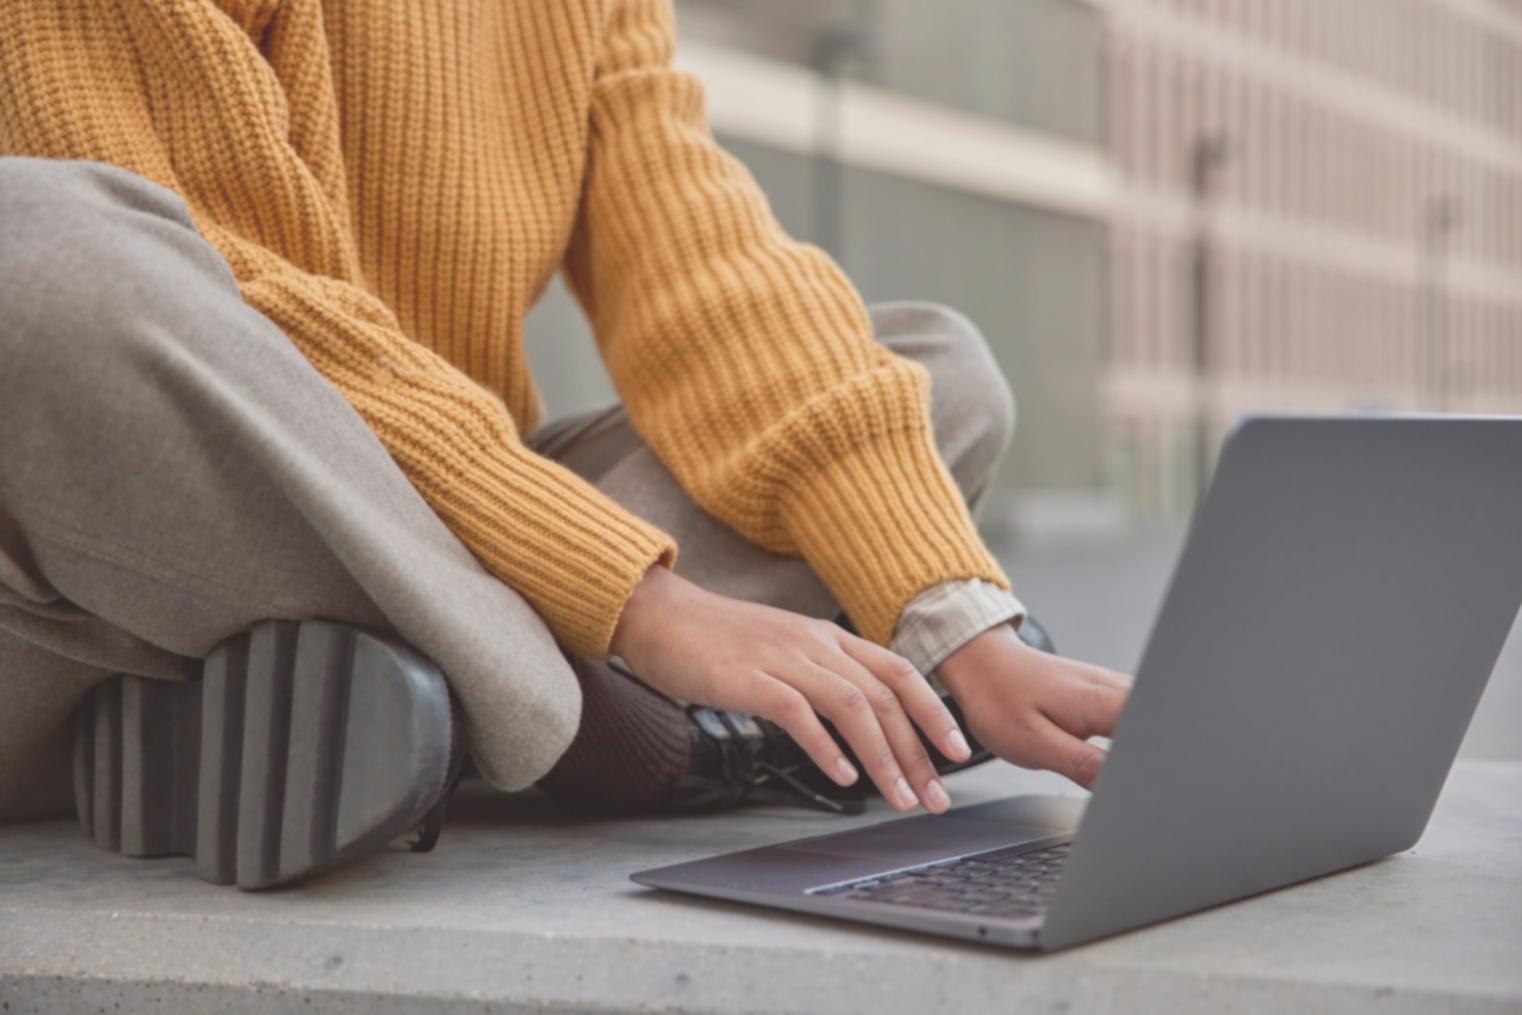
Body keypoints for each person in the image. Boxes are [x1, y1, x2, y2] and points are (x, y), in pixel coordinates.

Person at [0, 0, 1130, 887]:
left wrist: (951, 617)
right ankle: (602, 727)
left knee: (932, 371)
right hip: (74, 587)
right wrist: (640, 604)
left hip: (416, 523)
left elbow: (702, 268)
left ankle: (358, 713)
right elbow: (240, 294)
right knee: (32, 247)